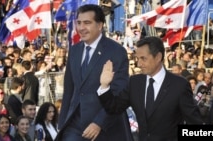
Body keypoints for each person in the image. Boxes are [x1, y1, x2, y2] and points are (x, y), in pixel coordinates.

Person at [97, 36, 204, 141]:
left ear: (158, 57)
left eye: (143, 58)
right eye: (137, 58)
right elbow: (114, 108)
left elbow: (195, 122)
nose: (139, 64)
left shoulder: (179, 85)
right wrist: (104, 86)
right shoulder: (134, 82)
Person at [57, 4, 133, 141]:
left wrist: (99, 122)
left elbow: (118, 92)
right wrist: (62, 123)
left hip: (105, 128)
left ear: (100, 25)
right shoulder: (74, 51)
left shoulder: (116, 51)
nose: (81, 28)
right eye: (79, 23)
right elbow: (69, 90)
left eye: (87, 23)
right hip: (74, 125)